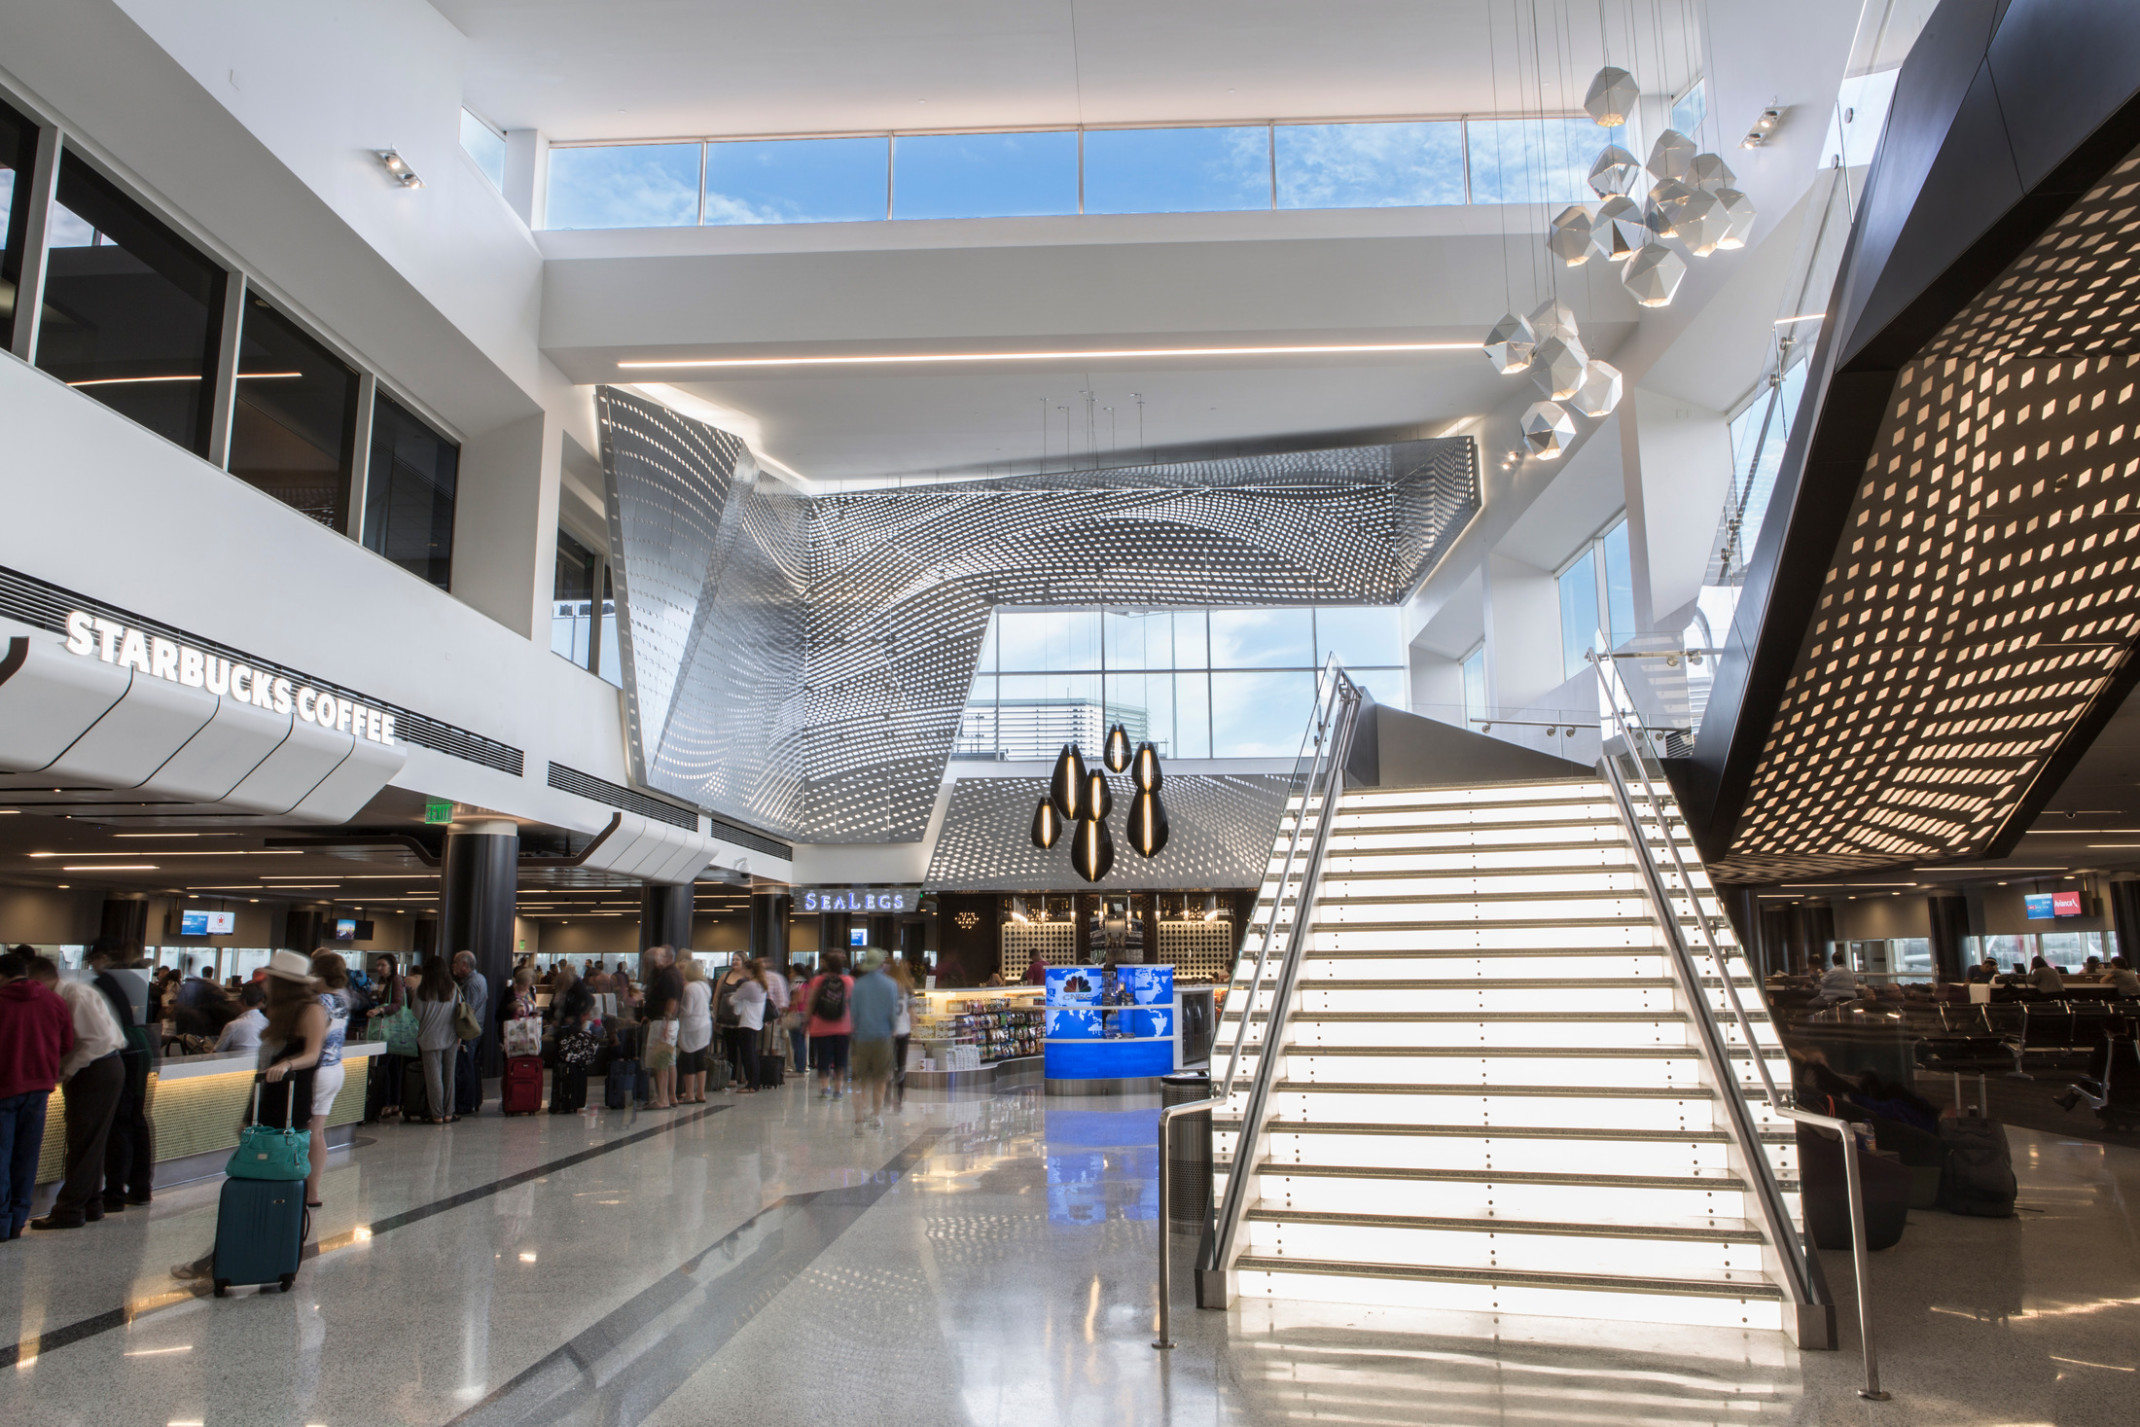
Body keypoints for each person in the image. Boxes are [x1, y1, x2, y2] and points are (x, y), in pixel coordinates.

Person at [27, 953, 127, 1230]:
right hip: (96, 1069)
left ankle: (69, 1210)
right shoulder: (69, 994)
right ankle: (91, 1204)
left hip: (98, 1070)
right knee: (87, 1141)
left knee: (84, 1143)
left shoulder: (76, 995)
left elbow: (95, 1042)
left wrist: (64, 1072)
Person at [0, 948, 74, 1241]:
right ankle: (19, 1219)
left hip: (4, 1089)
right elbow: (66, 1043)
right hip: (40, 1090)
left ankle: (2, 1221)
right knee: (27, 1155)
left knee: (2, 1156)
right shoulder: (53, 1000)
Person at [84, 939, 155, 1213]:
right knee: (136, 1120)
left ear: (103, 957)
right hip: (140, 1048)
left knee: (120, 1124)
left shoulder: (103, 984)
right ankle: (139, 1187)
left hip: (122, 1052)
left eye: (93, 961)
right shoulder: (134, 980)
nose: (92, 966)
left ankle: (114, 1191)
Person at [848, 950, 899, 1133]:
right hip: (883, 1036)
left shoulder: (858, 985)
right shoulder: (890, 985)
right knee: (880, 1079)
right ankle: (876, 1116)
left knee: (860, 1079)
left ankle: (859, 1117)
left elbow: (853, 1012)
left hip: (861, 1037)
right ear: (881, 965)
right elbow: (893, 1012)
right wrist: (893, 1028)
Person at [413, 955, 461, 1124]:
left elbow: (416, 1014)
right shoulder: (453, 988)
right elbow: (459, 1011)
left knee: (434, 1077)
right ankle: (449, 1112)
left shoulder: (422, 991)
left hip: (429, 1038)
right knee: (449, 1076)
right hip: (451, 1036)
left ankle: (437, 1115)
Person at [805, 952, 854, 1099]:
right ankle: (838, 1090)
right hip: (843, 1026)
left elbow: (811, 1003)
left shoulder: (817, 981)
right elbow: (852, 1003)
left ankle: (824, 1088)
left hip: (820, 1027)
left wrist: (806, 1021)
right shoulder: (848, 981)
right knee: (841, 1060)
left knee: (824, 1059)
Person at [641, 946, 683, 1109]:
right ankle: (671, 1097)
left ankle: (662, 1099)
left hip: (663, 1023)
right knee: (669, 1061)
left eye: (658, 958)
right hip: (667, 1022)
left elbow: (672, 1000)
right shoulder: (673, 973)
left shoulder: (668, 975)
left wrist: (666, 1021)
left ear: (667, 958)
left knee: (660, 1061)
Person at [550, 971, 597, 1113]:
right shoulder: (559, 992)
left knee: (572, 1062)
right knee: (560, 1064)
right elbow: (553, 1007)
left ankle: (571, 1098)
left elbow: (589, 1001)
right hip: (560, 1028)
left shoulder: (577, 991)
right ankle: (561, 1097)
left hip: (572, 1029)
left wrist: (576, 1015)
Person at [452, 951, 490, 1115]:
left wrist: (460, 1034)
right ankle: (473, 1100)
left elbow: (468, 1011)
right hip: (476, 1030)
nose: (452, 966)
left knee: (465, 1067)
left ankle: (465, 1103)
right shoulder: (479, 979)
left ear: (464, 965)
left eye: (455, 962)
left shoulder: (472, 983)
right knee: (470, 1066)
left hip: (469, 1032)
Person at [728, 959, 768, 1093]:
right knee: (752, 1054)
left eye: (744, 969)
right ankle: (754, 1082)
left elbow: (732, 1000)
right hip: (756, 1023)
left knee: (747, 1055)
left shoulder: (748, 985)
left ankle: (751, 1084)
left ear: (750, 971)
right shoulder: (762, 985)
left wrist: (732, 996)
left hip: (746, 1023)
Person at [677, 958, 713, 1105]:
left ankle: (689, 1094)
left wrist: (677, 1010)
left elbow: (687, 1010)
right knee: (700, 1057)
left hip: (691, 1026)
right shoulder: (705, 986)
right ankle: (701, 1093)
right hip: (705, 1024)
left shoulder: (689, 987)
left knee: (687, 1058)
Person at [887, 956, 915, 1111]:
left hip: (888, 1031)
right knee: (901, 1064)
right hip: (904, 1030)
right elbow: (912, 1013)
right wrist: (914, 1024)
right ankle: (900, 1095)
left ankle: (886, 1095)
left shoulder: (887, 986)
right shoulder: (907, 988)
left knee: (888, 1064)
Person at [214, 982, 269, 1052]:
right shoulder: (267, 1023)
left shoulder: (233, 1026)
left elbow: (216, 1052)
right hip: (259, 1061)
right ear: (261, 1001)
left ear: (243, 1001)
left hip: (236, 1062)